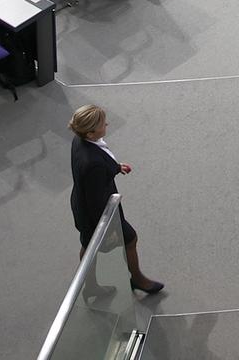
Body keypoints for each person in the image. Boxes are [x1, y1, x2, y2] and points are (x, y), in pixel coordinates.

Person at [67, 106, 165, 295]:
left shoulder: (79, 141)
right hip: (97, 215)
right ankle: (137, 279)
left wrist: (114, 167)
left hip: (82, 205)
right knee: (129, 239)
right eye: (102, 124)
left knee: (88, 247)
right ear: (90, 132)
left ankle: (91, 286)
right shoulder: (93, 164)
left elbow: (95, 165)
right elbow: (96, 202)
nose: (106, 124)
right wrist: (109, 229)